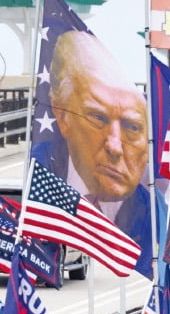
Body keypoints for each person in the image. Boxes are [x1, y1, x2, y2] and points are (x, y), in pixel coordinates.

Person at [39, 29, 152, 275]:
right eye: (97, 118)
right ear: (62, 115)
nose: (114, 145)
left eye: (132, 128)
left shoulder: (157, 219)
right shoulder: (38, 177)